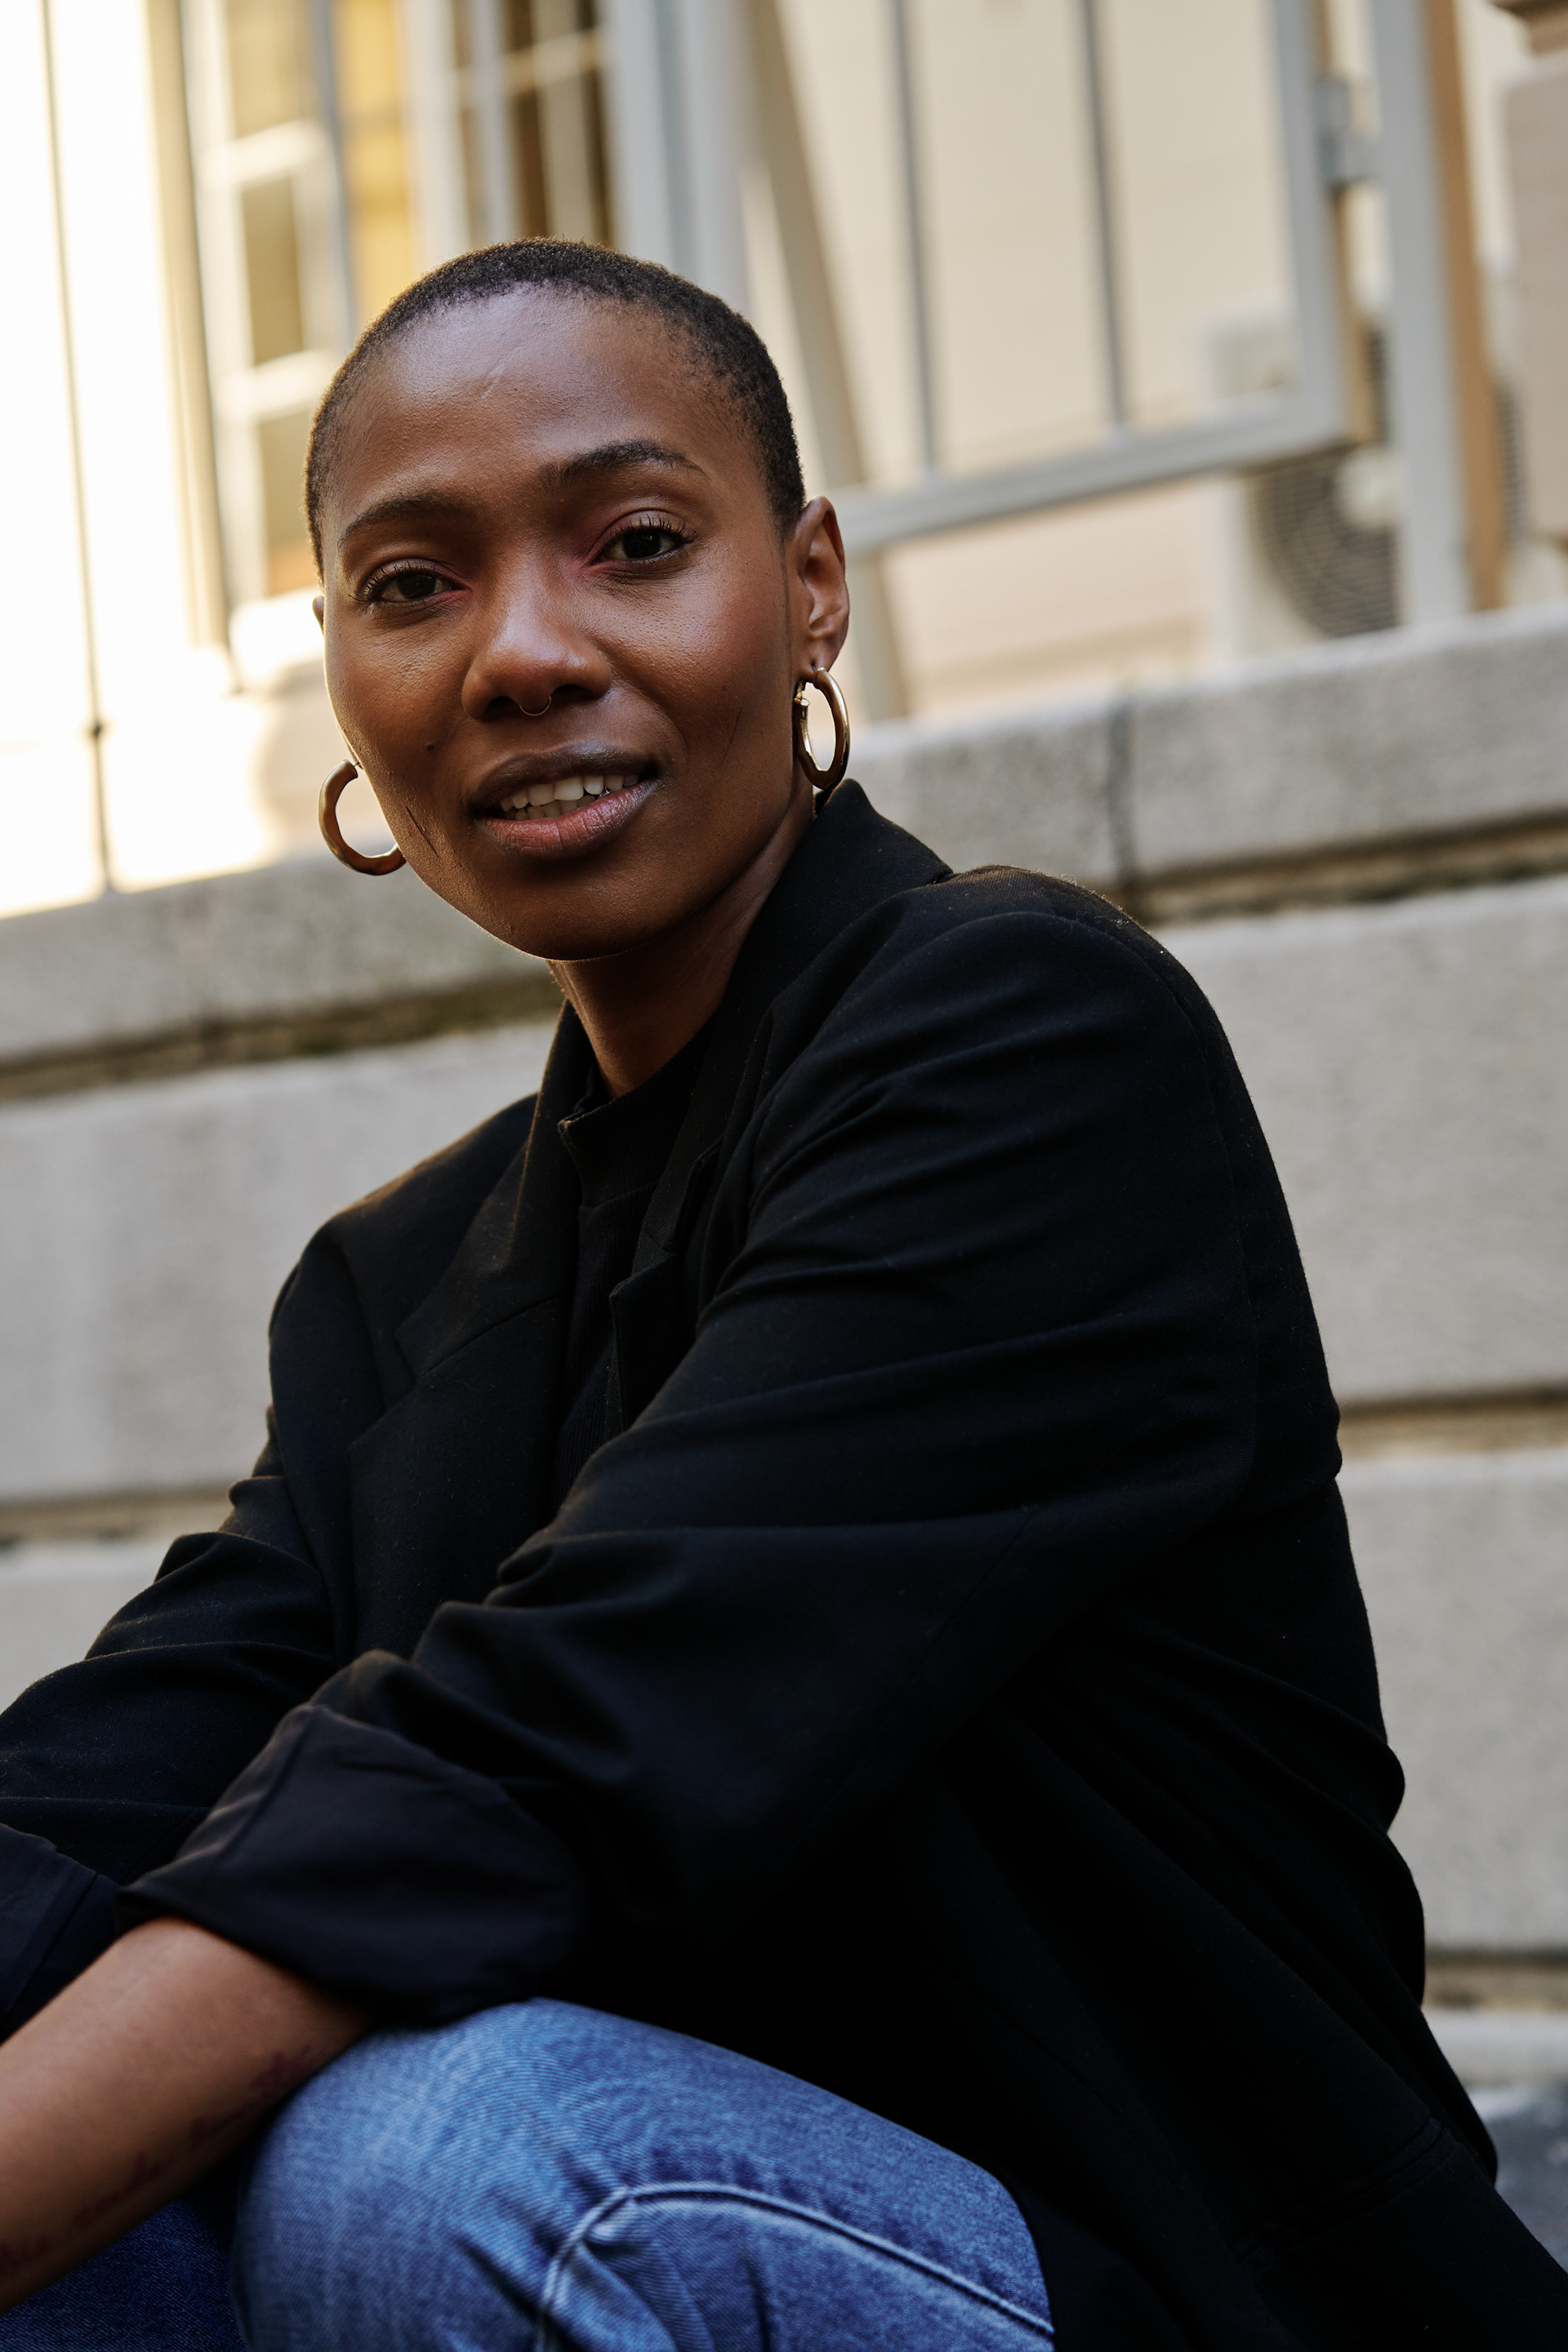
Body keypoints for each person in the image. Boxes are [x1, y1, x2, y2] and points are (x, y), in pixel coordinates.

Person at [0, 240, 1561, 2352]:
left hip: (1186, 2298)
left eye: (637, 545)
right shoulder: (395, 1290)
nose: (523, 653)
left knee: (445, 2152)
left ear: (812, 586)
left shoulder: (1022, 1042)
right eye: (414, 584)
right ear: (346, 678)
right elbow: (105, 1793)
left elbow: (559, 1742)